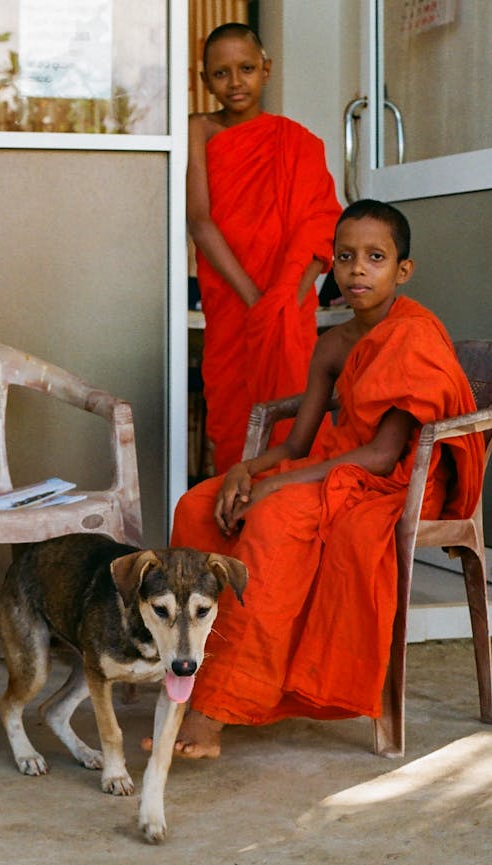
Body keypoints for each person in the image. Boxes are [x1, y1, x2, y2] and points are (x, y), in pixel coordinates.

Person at [168, 199, 485, 758]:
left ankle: (219, 707)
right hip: (335, 467)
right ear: (332, 267)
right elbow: (294, 443)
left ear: (402, 270)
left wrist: (274, 487)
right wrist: (245, 470)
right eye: (345, 257)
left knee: (274, 519)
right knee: (199, 505)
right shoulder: (334, 343)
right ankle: (183, 672)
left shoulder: (411, 335)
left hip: (392, 482)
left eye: (375, 257)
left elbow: (385, 455)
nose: (358, 269)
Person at [188, 22, 342, 474]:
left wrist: (287, 299)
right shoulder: (200, 130)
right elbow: (200, 222)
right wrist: (255, 300)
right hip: (233, 300)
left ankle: (288, 524)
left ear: (267, 70)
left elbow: (321, 224)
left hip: (286, 304)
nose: (235, 82)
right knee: (234, 417)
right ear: (204, 81)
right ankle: (233, 529)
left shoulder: (297, 143)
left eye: (247, 68)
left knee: (293, 412)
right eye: (221, 73)